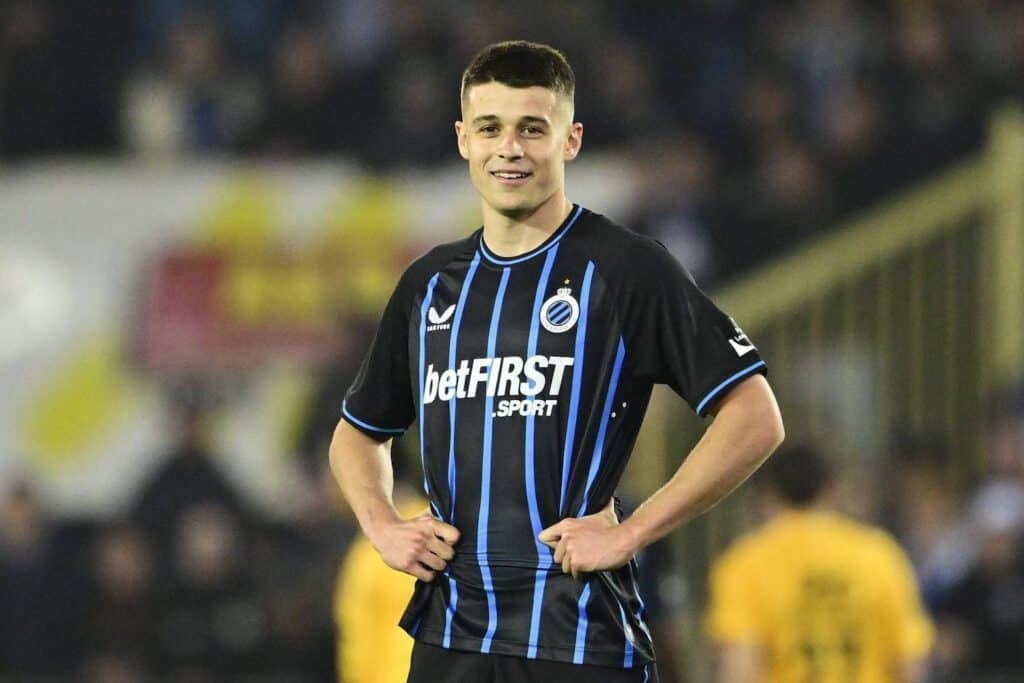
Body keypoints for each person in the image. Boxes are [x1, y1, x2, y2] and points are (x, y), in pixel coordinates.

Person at [329, 40, 784, 683]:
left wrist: (633, 533)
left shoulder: (627, 268)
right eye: (490, 128)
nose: (509, 148)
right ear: (463, 140)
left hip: (580, 639)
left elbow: (755, 415)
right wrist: (380, 524)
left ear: (570, 140)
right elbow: (357, 432)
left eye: (531, 129)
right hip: (450, 637)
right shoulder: (429, 285)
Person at [705, 445, 934, 683]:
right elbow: (909, 660)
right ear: (830, 489)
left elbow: (741, 667)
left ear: (767, 494)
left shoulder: (745, 563)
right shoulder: (880, 554)